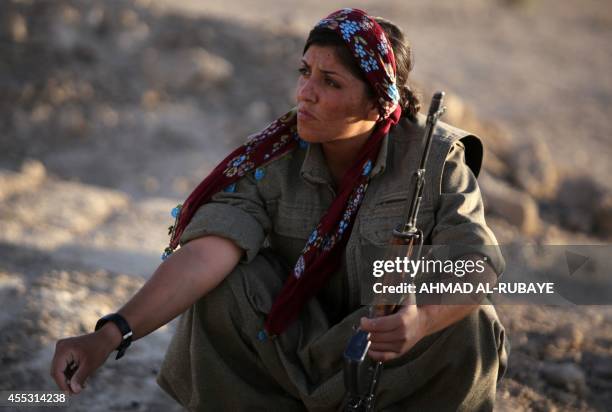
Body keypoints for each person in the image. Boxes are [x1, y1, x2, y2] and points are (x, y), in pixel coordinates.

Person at [51, 8, 508, 411]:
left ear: (378, 100)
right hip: (294, 354)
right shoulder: (274, 154)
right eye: (304, 71)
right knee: (224, 286)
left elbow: (479, 263)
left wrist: (421, 321)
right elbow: (209, 251)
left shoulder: (436, 156)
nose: (304, 93)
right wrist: (109, 335)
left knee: (472, 322)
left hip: (390, 356)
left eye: (329, 82)